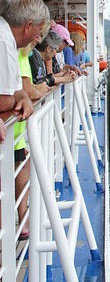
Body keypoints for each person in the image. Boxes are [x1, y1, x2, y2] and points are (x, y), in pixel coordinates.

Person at [14, 40, 51, 239]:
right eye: (37, 33)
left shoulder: (23, 54)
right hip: (13, 133)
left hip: (17, 134)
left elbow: (24, 90)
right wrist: (32, 94)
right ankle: (22, 223)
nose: (38, 39)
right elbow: (27, 89)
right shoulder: (19, 54)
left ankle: (22, 222)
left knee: (22, 166)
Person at [0, 0, 50, 119]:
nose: (38, 40)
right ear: (28, 26)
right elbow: (3, 103)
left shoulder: (11, 42)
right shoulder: (4, 39)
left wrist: (24, 98)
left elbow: (18, 90)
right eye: (38, 32)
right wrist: (15, 100)